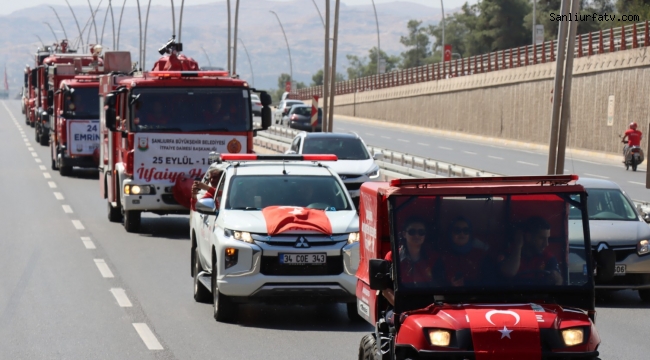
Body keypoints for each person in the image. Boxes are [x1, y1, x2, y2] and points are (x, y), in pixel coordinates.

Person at [382, 216, 439, 306]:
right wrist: (402, 309)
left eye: (421, 232)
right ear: (404, 234)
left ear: (425, 235)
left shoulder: (433, 257)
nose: (417, 235)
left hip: (429, 308)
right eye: (412, 232)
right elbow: (385, 290)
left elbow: (439, 286)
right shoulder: (393, 256)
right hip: (399, 309)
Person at [499, 216, 563, 285]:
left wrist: (556, 278)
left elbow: (558, 281)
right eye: (542, 238)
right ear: (528, 237)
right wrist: (518, 246)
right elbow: (509, 273)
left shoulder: (548, 258)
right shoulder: (508, 254)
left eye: (547, 238)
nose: (546, 244)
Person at [435, 217, 491, 287]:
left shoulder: (481, 255)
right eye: (457, 230)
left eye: (466, 230)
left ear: (470, 234)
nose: (462, 233)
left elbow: (490, 283)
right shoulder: (442, 257)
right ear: (450, 233)